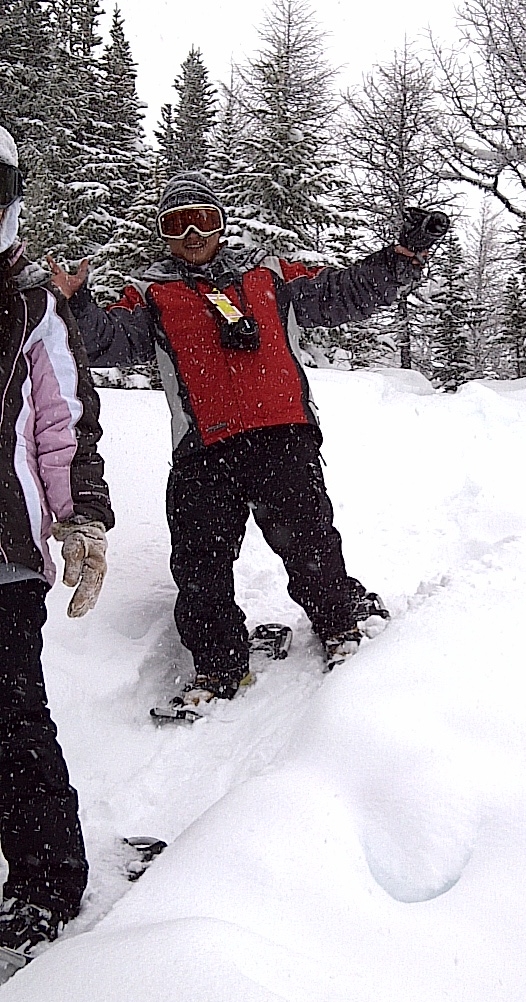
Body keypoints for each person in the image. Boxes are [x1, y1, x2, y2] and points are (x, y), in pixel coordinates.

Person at [49, 172, 447, 704]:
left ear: (222, 223)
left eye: (204, 220)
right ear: (163, 234)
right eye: (177, 223)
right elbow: (107, 342)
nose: (193, 234)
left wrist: (402, 257)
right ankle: (218, 666)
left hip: (281, 435)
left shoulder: (269, 275)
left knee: (309, 543)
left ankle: (338, 621)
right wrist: (77, 306)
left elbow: (343, 293)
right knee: (199, 565)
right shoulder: (149, 296)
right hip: (203, 449)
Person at [0, 126, 114, 958]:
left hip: (1, 556)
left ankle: (45, 883)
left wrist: (81, 516)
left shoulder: (32, 310)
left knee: (10, 724)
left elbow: (61, 423)